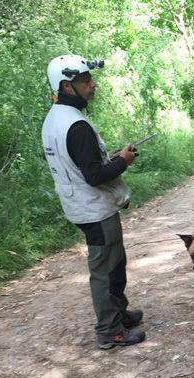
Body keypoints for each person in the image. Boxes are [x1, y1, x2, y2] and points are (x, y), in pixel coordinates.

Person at [42, 55, 145, 349]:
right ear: (66, 86)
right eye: (85, 81)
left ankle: (119, 313)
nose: (92, 85)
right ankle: (109, 329)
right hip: (94, 208)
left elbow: (78, 165)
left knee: (115, 262)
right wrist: (123, 161)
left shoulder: (54, 119)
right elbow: (94, 175)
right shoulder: (76, 125)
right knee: (106, 269)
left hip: (80, 205)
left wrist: (109, 159)